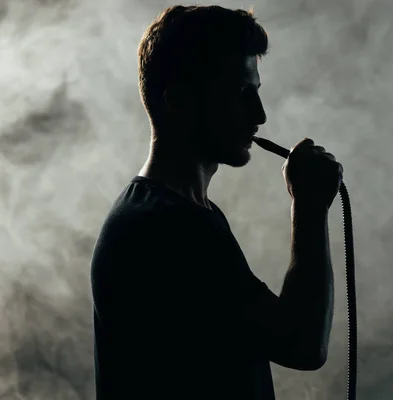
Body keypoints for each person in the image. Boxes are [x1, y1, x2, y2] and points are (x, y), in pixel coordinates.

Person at [90, 5, 343, 399]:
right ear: (179, 101)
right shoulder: (167, 229)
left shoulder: (180, 213)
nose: (259, 115)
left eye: (257, 93)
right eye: (241, 93)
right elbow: (303, 345)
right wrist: (309, 207)